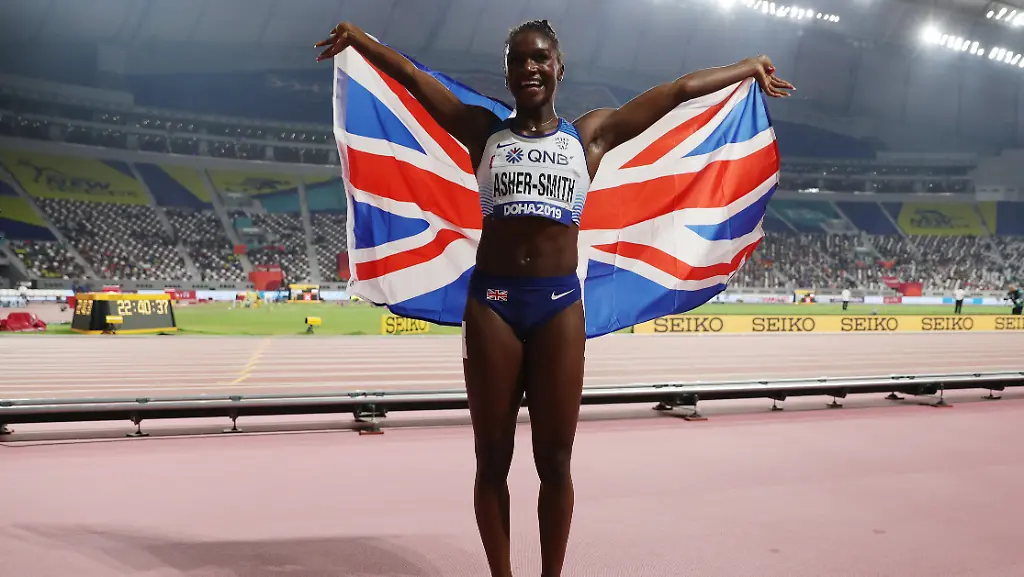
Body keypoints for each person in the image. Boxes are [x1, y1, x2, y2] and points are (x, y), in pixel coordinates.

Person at [316, 20, 792, 577]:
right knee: (492, 460)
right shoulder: (482, 133)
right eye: (519, 60)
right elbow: (416, 82)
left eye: (540, 58)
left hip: (558, 307)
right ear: (507, 73)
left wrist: (747, 68)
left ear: (559, 68)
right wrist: (361, 41)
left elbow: (678, 92)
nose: (530, 68)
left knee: (557, 462)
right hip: (493, 306)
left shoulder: (589, 138)